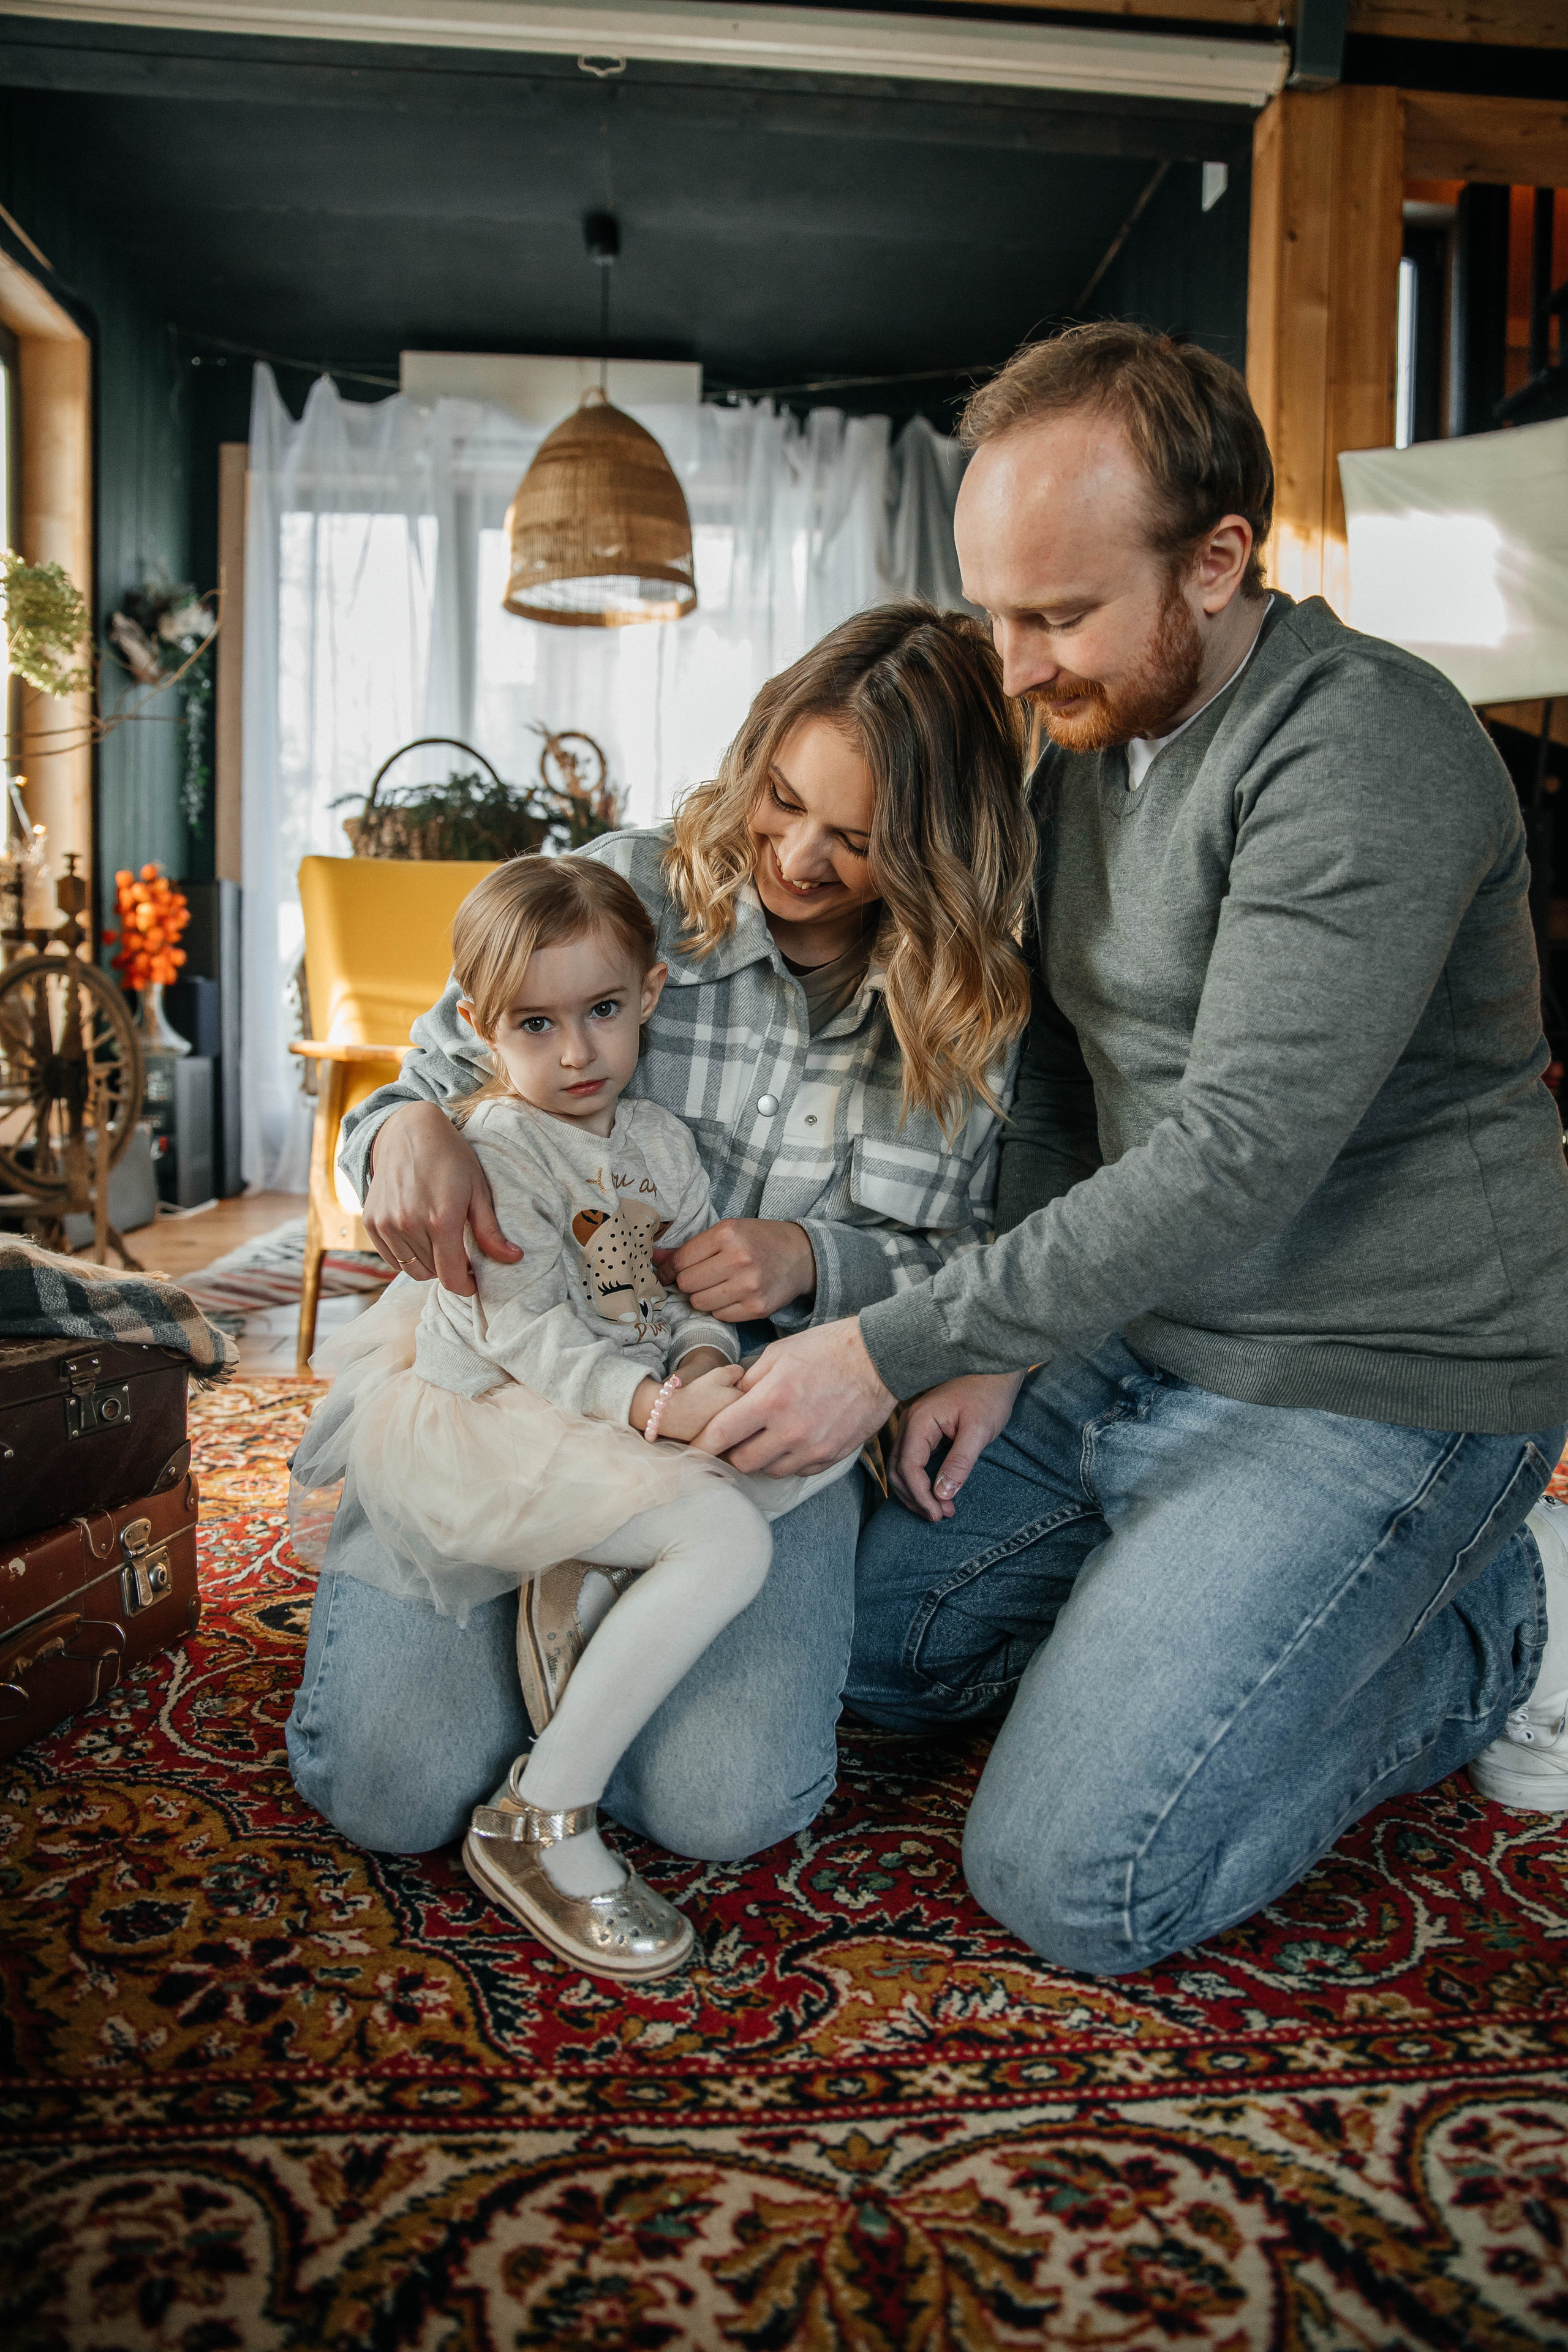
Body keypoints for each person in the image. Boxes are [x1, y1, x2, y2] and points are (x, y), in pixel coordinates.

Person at [692, 323, 1568, 1974]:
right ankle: (1199, 1601)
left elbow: (1238, 1153)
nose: (1012, 669)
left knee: (1080, 1885)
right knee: (867, 1675)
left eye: (1059, 614)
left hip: (1380, 1379)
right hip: (1139, 1342)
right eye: (996, 611)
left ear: (1220, 559)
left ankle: (1502, 1625)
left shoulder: (1366, 750)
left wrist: (894, 1347)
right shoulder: (1089, 737)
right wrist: (1004, 1355)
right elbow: (1056, 1087)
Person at [285, 600, 1035, 1864]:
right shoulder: (627, 884)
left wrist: (817, 1261)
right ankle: (527, 1609)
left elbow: (982, 1262)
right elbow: (426, 1085)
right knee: (387, 1791)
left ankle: (583, 1627)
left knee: (720, 1811)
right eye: (781, 799)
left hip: (746, 1419)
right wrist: (398, 1133)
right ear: (754, 755)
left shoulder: (968, 1003)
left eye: (855, 839)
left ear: (937, 846)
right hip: (514, 1385)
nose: (795, 857)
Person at [290, 856, 853, 1979]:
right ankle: (540, 1816)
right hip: (505, 1418)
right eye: (535, 1026)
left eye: (601, 1012)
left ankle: (580, 1597)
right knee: (727, 1535)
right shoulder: (497, 1146)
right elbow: (525, 1337)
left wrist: (708, 1366)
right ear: (481, 1024)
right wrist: (654, 1404)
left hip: (612, 1408)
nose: (577, 1053)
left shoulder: (660, 1145)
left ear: (649, 993)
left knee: (749, 1514)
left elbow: (685, 1295)